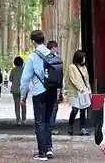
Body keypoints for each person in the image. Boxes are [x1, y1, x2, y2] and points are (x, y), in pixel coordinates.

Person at [21, 30, 63, 161]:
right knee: (48, 121)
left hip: (39, 92)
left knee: (40, 122)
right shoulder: (52, 54)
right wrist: (60, 91)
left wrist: (23, 95)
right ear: (43, 40)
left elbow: (25, 78)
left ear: (33, 41)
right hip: (51, 91)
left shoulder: (33, 57)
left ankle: (42, 152)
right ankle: (49, 148)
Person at [65, 49, 91, 136]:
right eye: (83, 57)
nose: (84, 59)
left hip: (84, 92)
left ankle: (82, 128)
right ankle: (70, 126)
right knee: (75, 109)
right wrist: (80, 88)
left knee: (83, 110)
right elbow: (73, 80)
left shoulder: (84, 67)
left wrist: (89, 89)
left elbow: (86, 80)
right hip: (74, 92)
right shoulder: (72, 67)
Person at [47, 40, 61, 134]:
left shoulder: (43, 58)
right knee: (53, 107)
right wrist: (59, 88)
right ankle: (51, 127)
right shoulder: (56, 59)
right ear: (53, 48)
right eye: (56, 48)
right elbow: (58, 75)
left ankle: (47, 127)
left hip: (45, 86)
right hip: (53, 86)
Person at [10, 56, 27, 125]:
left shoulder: (13, 70)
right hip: (24, 89)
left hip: (15, 89)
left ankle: (18, 120)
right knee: (23, 103)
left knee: (17, 105)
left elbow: (11, 79)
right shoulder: (25, 70)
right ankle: (24, 119)